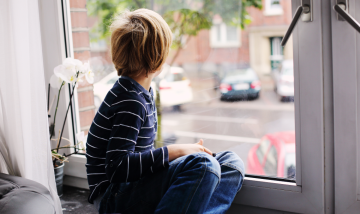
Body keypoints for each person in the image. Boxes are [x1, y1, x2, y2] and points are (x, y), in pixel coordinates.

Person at [85, 8, 245, 214]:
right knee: (204, 165)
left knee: (231, 163)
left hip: (131, 186)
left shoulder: (139, 92)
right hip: (112, 198)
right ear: (157, 56)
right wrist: (176, 151)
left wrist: (182, 155)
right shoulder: (130, 101)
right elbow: (117, 168)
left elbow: (140, 158)